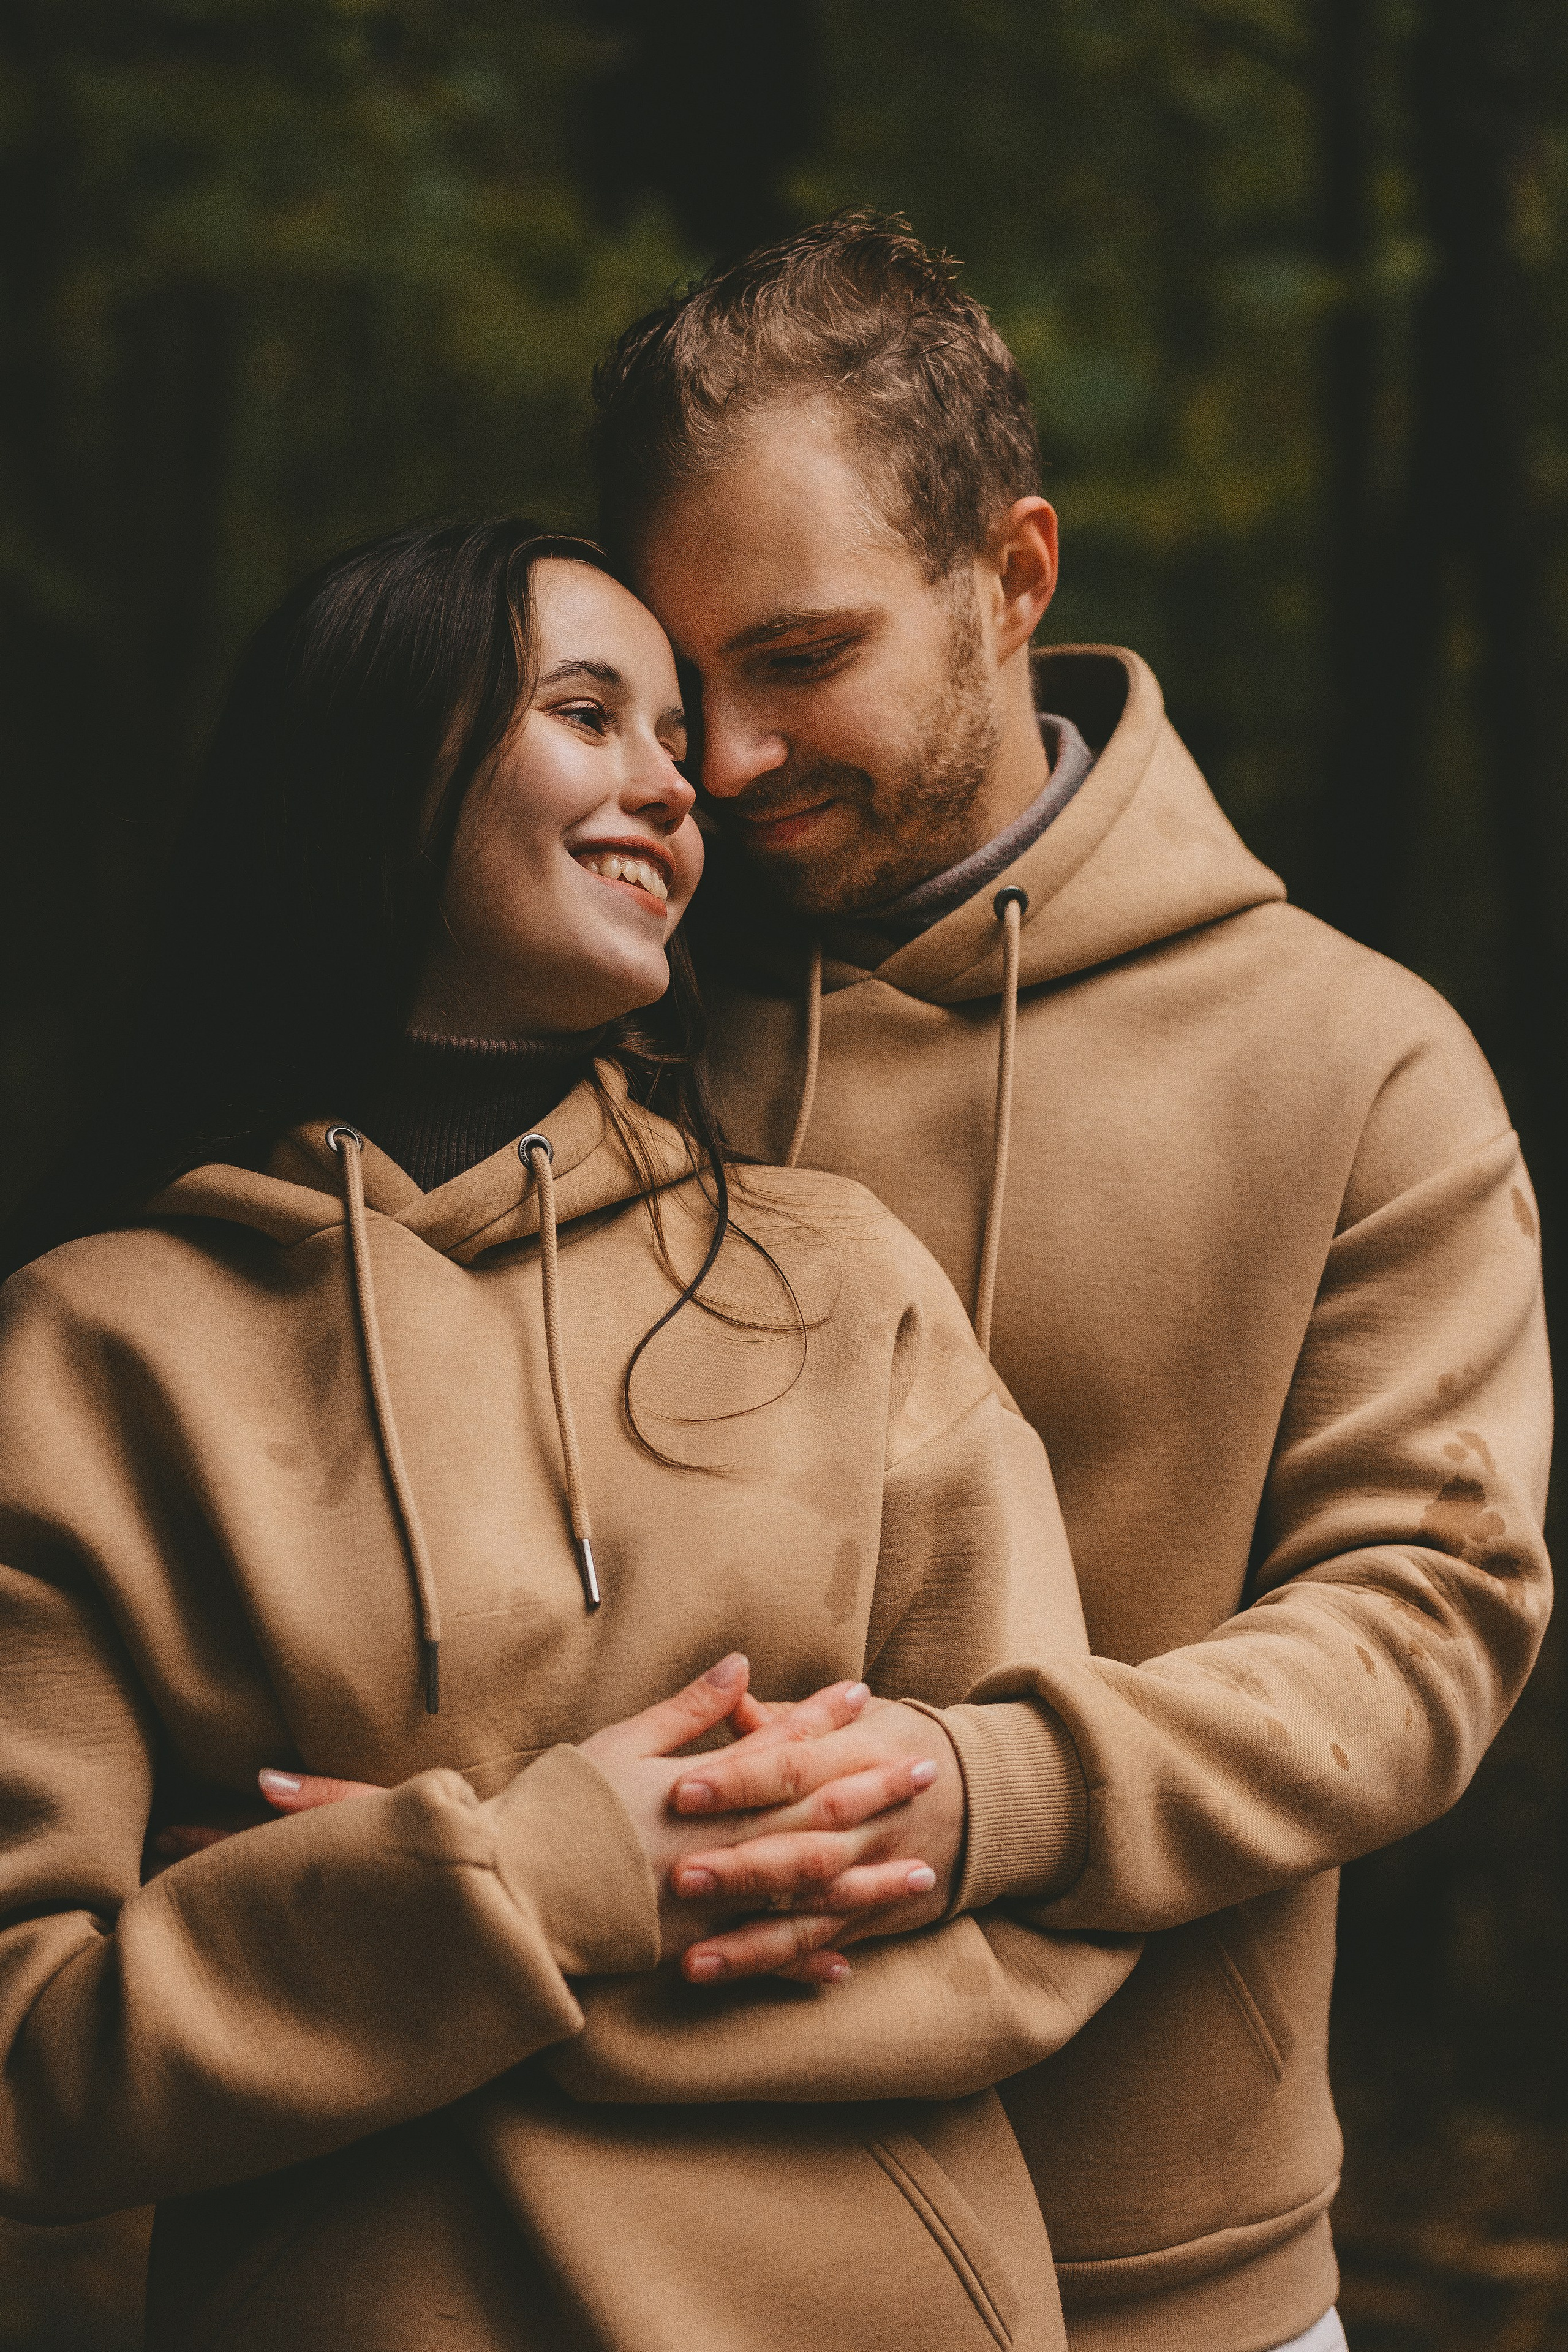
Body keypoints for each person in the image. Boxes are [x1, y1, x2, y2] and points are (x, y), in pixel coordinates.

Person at [0, 518, 1137, 2351]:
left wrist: (424, 1937)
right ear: (374, 764)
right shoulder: (92, 1348)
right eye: (590, 713)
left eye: (677, 742)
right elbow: (32, 2059)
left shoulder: (836, 1277)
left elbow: (1042, 1892)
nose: (673, 791)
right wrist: (544, 1873)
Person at [583, 212, 1555, 2352]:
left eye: (803, 655)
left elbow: (1428, 1625)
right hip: (617, 2257)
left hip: (1165, 2289)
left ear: (1013, 576)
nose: (724, 764)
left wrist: (987, 1794)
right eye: (680, 682)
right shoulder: (584, 1028)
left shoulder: (1354, 1058)